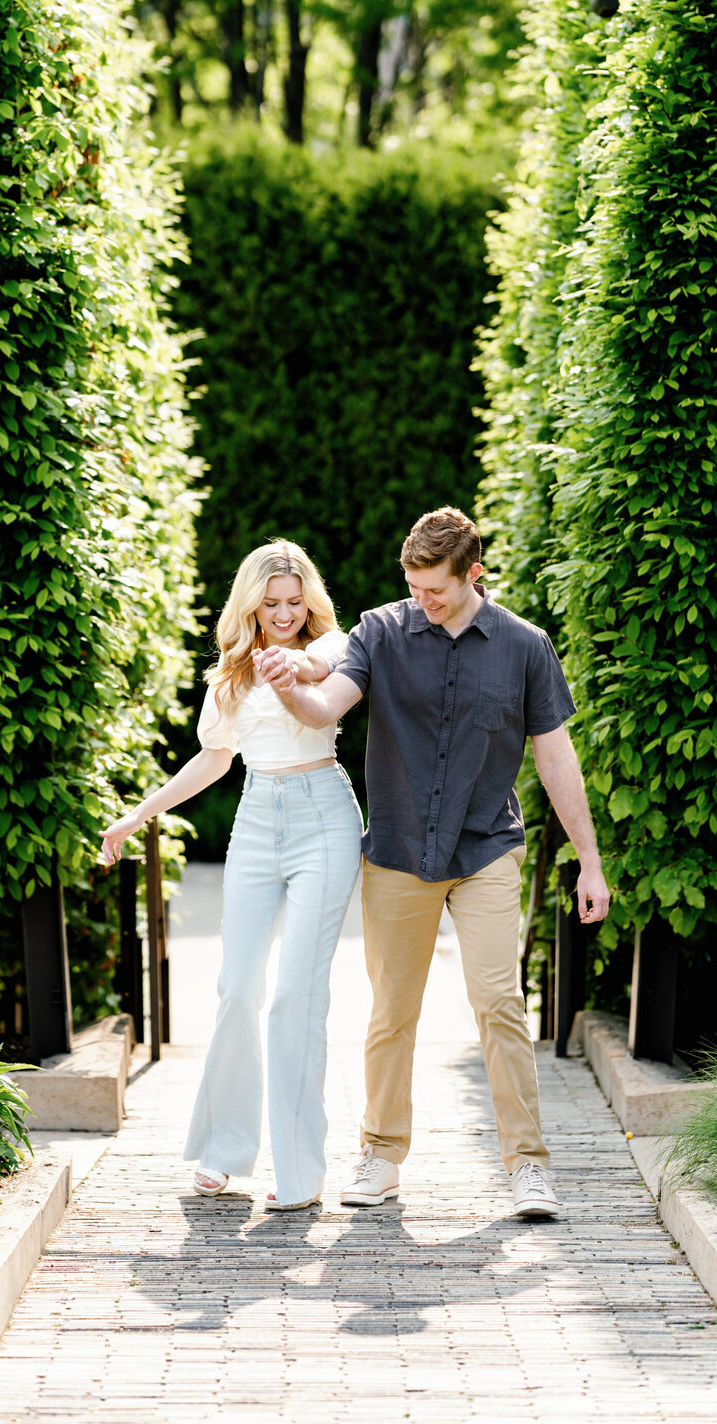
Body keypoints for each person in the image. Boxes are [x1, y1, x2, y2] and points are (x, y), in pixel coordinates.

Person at [256, 506, 610, 1220]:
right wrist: (290, 682)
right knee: (391, 1011)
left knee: (499, 1003)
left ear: (473, 573)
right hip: (397, 850)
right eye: (415, 588)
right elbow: (326, 703)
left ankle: (528, 1168)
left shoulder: (524, 646)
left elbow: (554, 756)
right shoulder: (382, 631)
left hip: (485, 849)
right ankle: (381, 1157)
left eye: (437, 591)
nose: (424, 602)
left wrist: (590, 862)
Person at [99, 540, 363, 1210]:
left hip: (324, 821)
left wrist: (293, 664)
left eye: (292, 601)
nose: (282, 613)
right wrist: (135, 816)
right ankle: (224, 1149)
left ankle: (300, 1170)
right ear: (250, 604)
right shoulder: (229, 677)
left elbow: (318, 674)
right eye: (269, 603)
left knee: (295, 998)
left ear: (309, 600)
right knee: (238, 988)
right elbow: (212, 762)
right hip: (257, 820)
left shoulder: (333, 647)